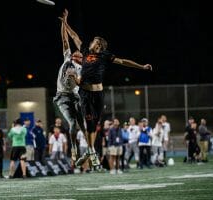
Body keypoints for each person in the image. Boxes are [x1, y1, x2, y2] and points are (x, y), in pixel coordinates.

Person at [59, 9, 152, 167]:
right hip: (85, 93)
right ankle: (92, 151)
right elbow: (74, 36)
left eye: (94, 41)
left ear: (99, 45)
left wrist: (142, 67)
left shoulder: (105, 55)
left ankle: (90, 151)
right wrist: (65, 22)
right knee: (89, 125)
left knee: (94, 125)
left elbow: (123, 61)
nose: (91, 42)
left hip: (98, 94)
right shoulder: (85, 51)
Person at [53, 9, 88, 164]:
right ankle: (74, 148)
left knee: (83, 125)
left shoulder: (83, 68)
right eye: (74, 53)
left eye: (78, 54)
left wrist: (75, 77)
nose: (74, 54)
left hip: (75, 96)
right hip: (62, 96)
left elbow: (82, 84)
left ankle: (90, 150)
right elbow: (65, 39)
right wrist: (63, 22)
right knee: (72, 123)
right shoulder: (68, 57)